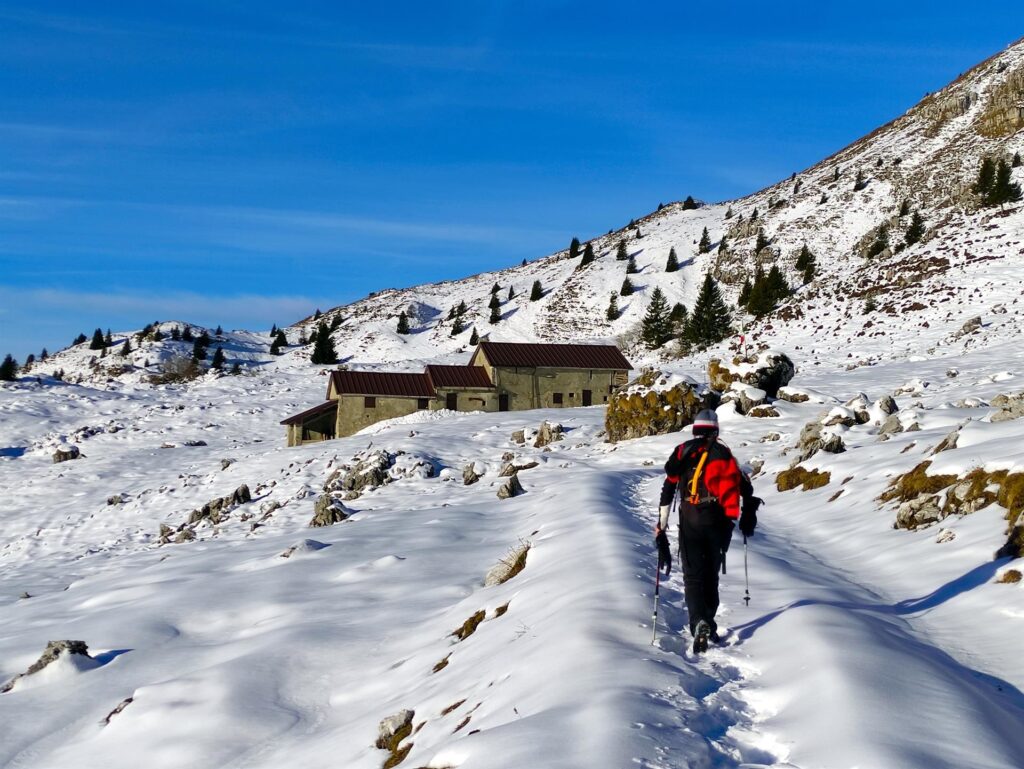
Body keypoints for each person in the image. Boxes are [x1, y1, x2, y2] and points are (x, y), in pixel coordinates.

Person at [654, 409, 760, 653]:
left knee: (693, 577)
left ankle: (698, 621)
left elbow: (669, 486)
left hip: (691, 518)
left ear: (695, 428)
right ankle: (709, 624)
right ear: (715, 429)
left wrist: (661, 522)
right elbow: (746, 489)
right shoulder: (725, 455)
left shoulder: (683, 452)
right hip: (720, 522)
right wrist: (748, 514)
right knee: (711, 575)